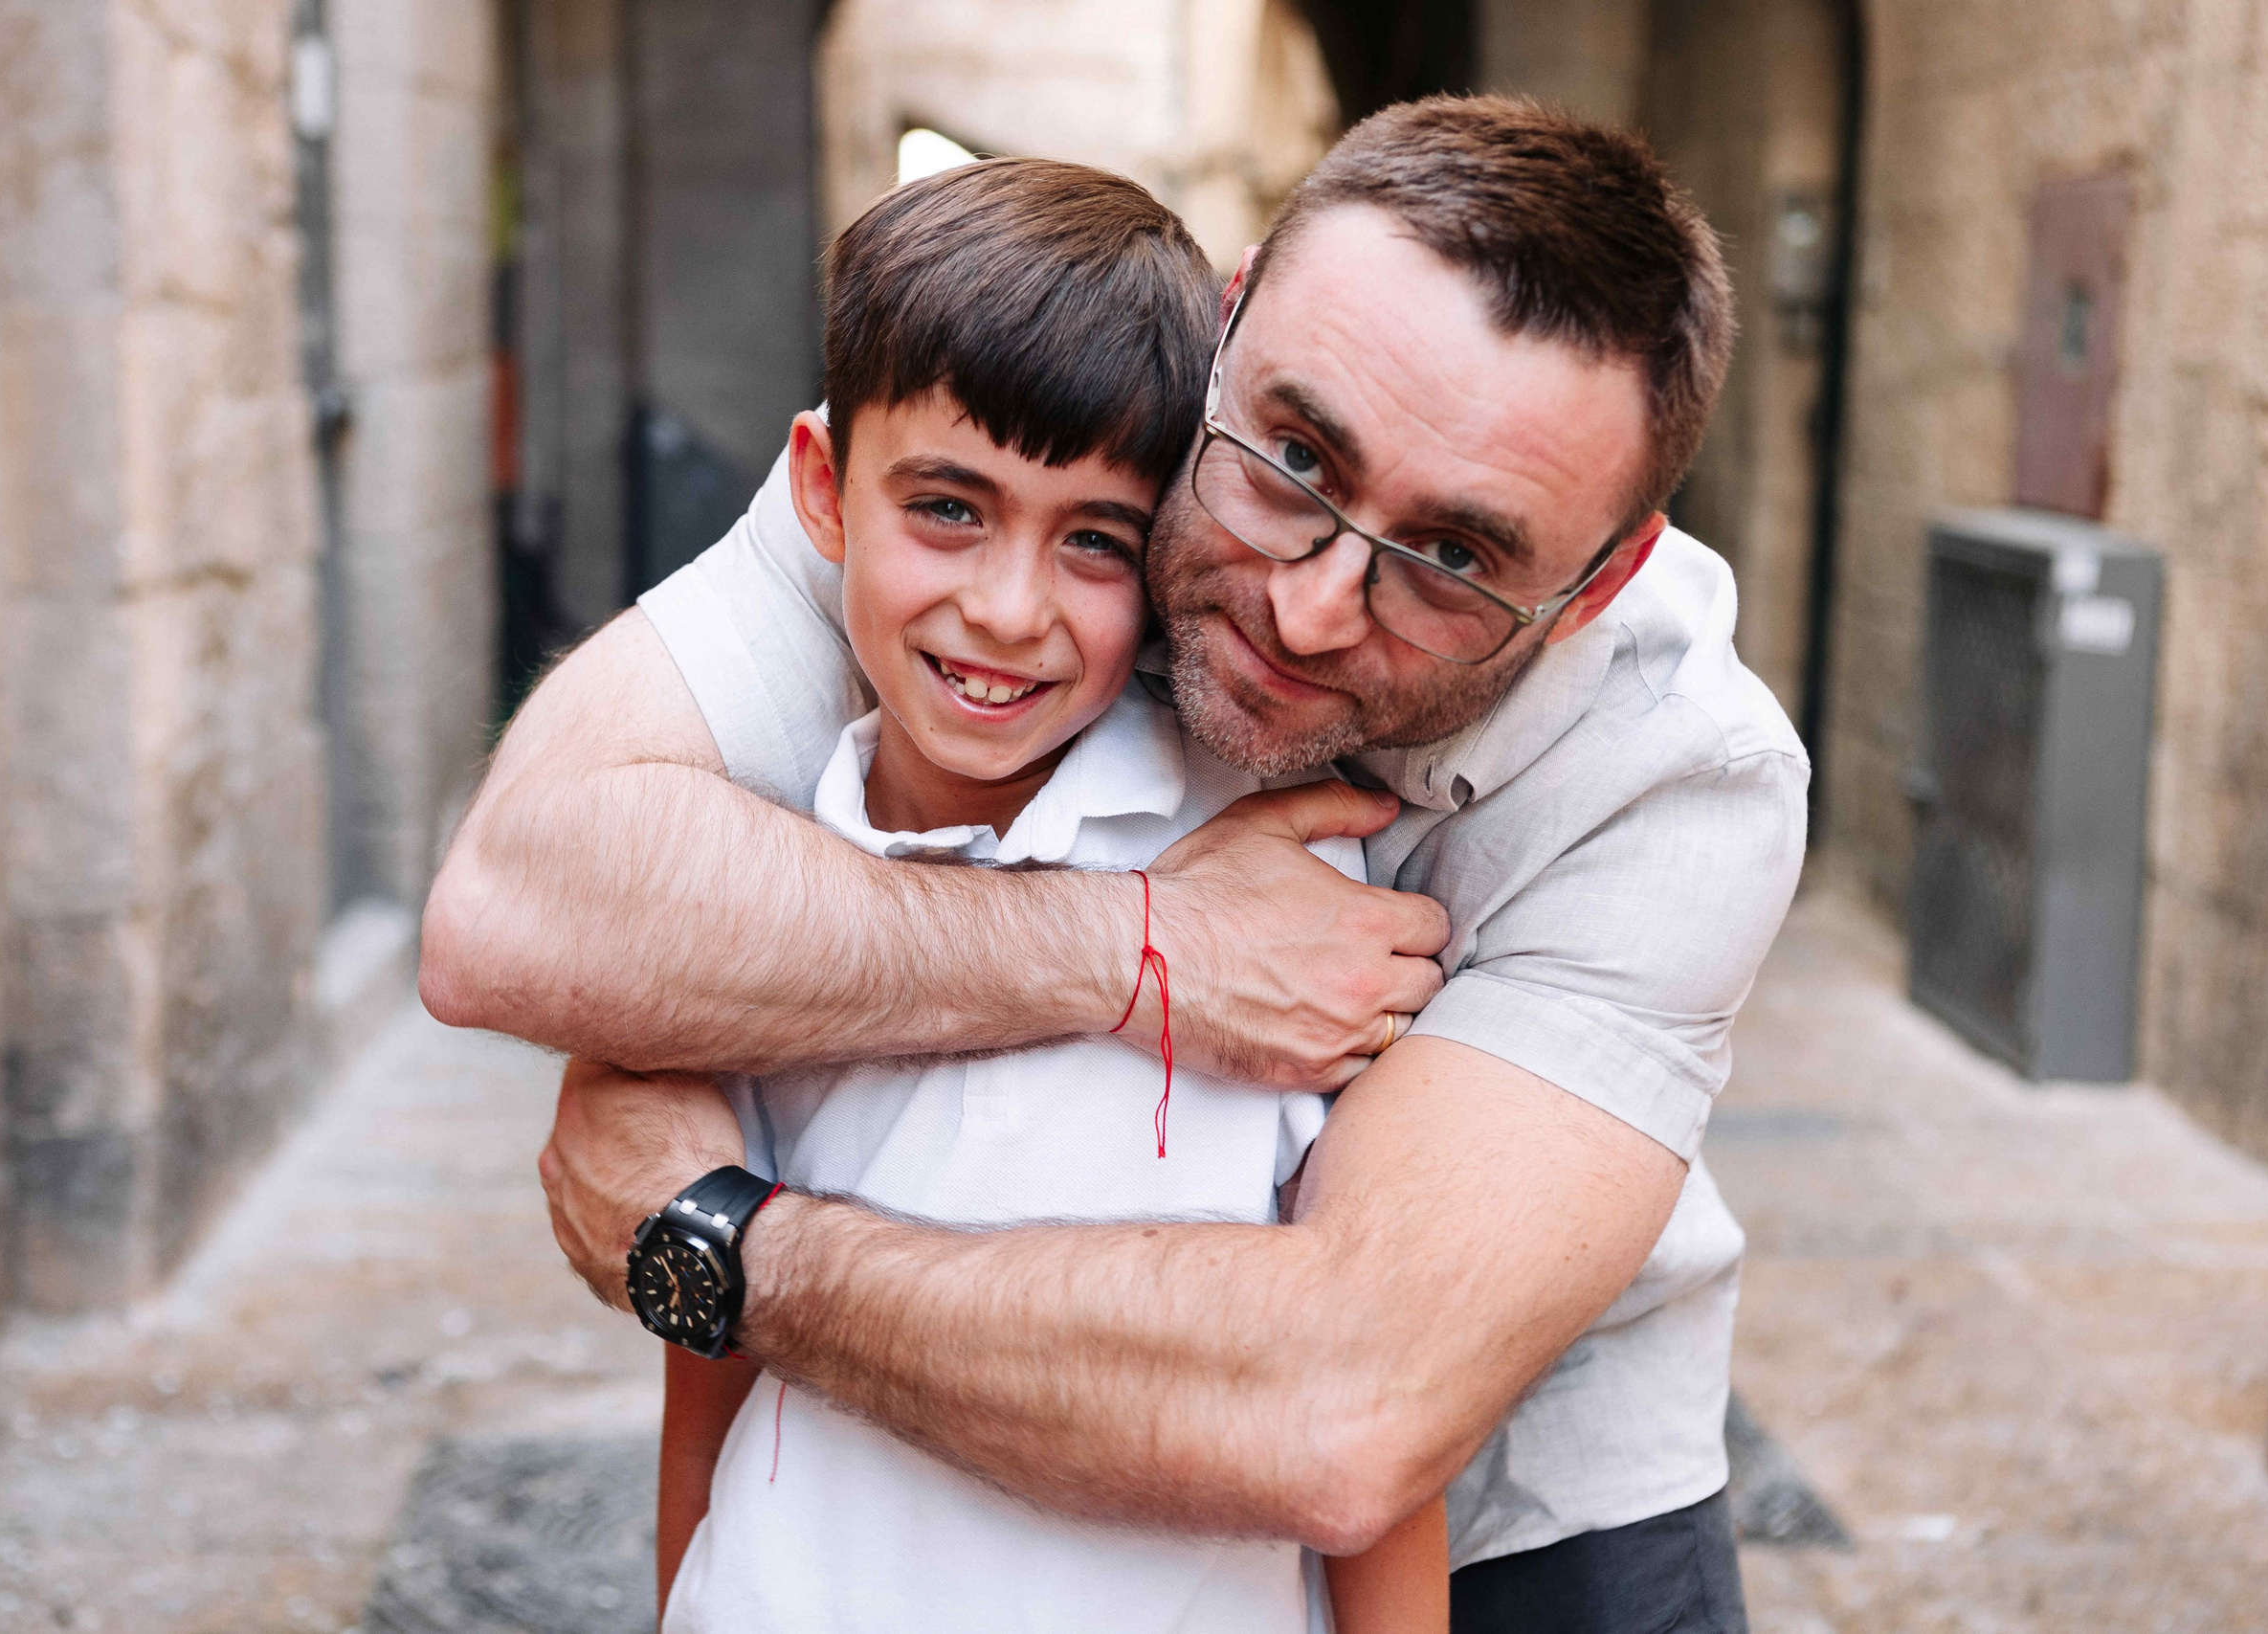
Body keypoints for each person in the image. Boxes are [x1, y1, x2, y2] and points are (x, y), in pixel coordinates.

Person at [424, 96, 1806, 1634]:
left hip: (1534, 1513)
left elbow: (1340, 1414)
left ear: (1603, 581)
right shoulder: (1032, 443)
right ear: (1230, 322)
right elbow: (513, 910)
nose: (1309, 610)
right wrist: (1141, 950)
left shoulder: (1687, 774)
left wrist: (733, 1250)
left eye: (1454, 560)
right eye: (1294, 459)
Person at [649, 155, 1447, 1633]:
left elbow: (1374, 1424)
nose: (1009, 611)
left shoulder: (1285, 876)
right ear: (824, 490)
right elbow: (712, 1363)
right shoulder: (754, 868)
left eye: (1093, 539)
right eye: (949, 508)